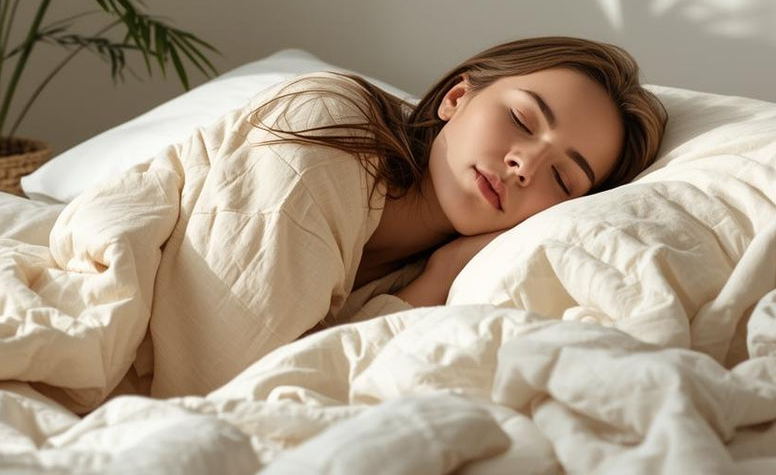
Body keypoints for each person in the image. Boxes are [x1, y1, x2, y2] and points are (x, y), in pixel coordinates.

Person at [250, 35, 669, 309]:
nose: (524, 166)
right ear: (456, 97)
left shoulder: (447, 281)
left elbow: (316, 372)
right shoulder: (329, 120)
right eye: (522, 120)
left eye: (562, 178)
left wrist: (441, 276)